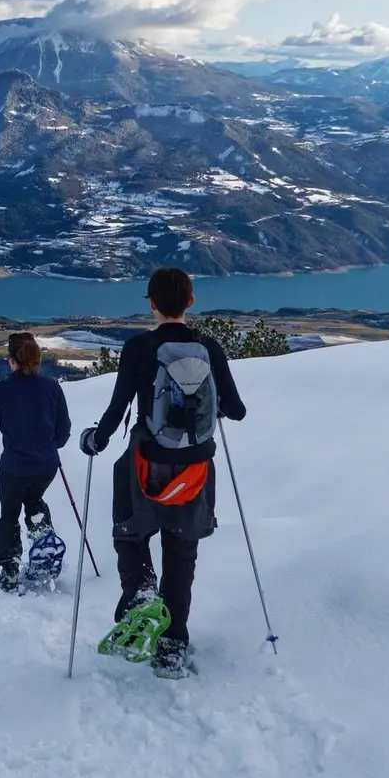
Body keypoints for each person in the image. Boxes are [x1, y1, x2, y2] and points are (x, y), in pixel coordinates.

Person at [79, 267, 246, 676]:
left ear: (152, 304)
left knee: (130, 534)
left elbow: (118, 408)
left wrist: (94, 441)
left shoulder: (139, 348)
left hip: (145, 467)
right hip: (195, 471)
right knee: (182, 555)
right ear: (190, 302)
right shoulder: (209, 348)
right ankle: (172, 646)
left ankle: (140, 594)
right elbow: (238, 410)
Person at [0, 332, 73, 592]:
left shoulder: (2, 391)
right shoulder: (52, 388)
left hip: (13, 469)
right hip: (46, 466)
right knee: (34, 500)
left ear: (11, 360)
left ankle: (10, 567)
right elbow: (63, 434)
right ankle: (42, 538)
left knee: (9, 515)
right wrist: (46, 445)